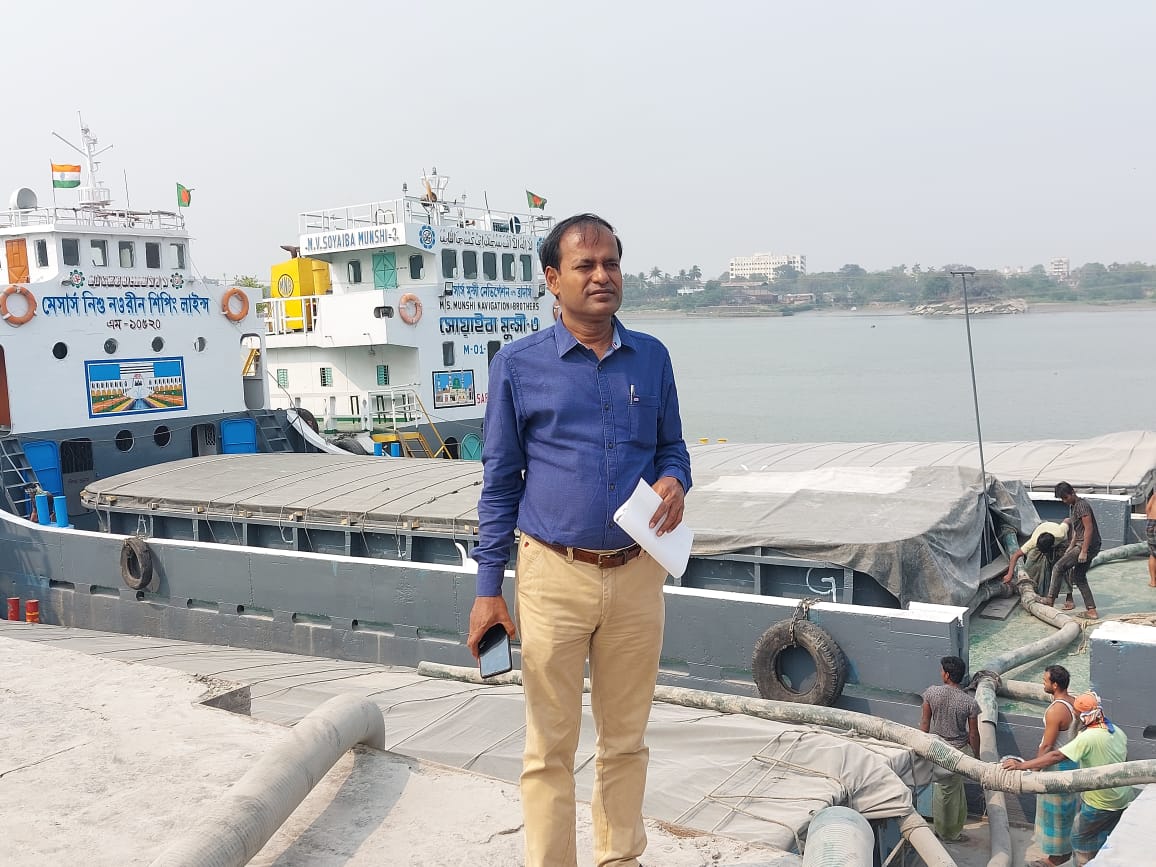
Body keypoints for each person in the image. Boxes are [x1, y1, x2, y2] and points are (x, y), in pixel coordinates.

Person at [467, 214, 692, 867]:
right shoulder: (517, 366)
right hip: (552, 574)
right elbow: (500, 483)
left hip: (637, 573)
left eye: (611, 263)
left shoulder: (652, 358)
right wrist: (488, 590)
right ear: (552, 279)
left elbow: (674, 446)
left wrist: (675, 480)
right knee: (549, 747)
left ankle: (620, 857)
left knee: (626, 739)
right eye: (585, 265)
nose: (601, 276)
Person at [1002, 692, 1136, 866]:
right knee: (1103, 836)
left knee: (1079, 839)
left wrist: (1022, 765)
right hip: (1123, 798)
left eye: (1076, 713)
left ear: (1084, 716)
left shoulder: (1088, 737)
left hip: (1101, 802)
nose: (1074, 716)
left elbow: (1056, 755)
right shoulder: (1117, 731)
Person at [920, 655, 981, 843]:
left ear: (947, 675)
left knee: (946, 792)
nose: (941, 673)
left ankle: (945, 832)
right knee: (951, 792)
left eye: (942, 671)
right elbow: (973, 734)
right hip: (958, 752)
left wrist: (920, 748)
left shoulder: (931, 693)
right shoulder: (969, 702)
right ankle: (949, 832)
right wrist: (977, 757)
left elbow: (925, 724)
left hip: (937, 749)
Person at [1028, 665, 1079, 866]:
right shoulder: (1075, 702)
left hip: (1056, 768)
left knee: (1054, 815)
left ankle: (1056, 858)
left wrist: (1034, 769)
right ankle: (1061, 854)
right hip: (1072, 764)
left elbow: (1047, 745)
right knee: (1067, 814)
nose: (1043, 683)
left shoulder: (1056, 710)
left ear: (1055, 685)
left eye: (1045, 680)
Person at [1043, 482, 1102, 619]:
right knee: (1079, 577)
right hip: (1082, 544)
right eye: (1062, 499)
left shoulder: (1082, 506)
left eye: (1066, 497)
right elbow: (1077, 529)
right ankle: (1091, 610)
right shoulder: (1074, 506)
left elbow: (1088, 528)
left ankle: (1050, 600)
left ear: (1073, 492)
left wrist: (1083, 551)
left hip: (1087, 545)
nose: (1064, 501)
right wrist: (1071, 546)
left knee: (1058, 567)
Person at [1003, 519, 1070, 598]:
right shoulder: (1033, 542)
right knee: (1030, 565)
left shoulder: (1061, 533)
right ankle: (1037, 590)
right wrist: (1009, 574)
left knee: (1062, 567)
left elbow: (1067, 520)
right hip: (1042, 534)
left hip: (1059, 544)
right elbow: (1015, 555)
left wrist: (1072, 542)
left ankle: (1069, 596)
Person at [1146, 489, 1156, 588]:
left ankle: (1153, 581)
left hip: (1151, 523)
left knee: (1153, 554)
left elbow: (1148, 508)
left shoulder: (1155, 495)